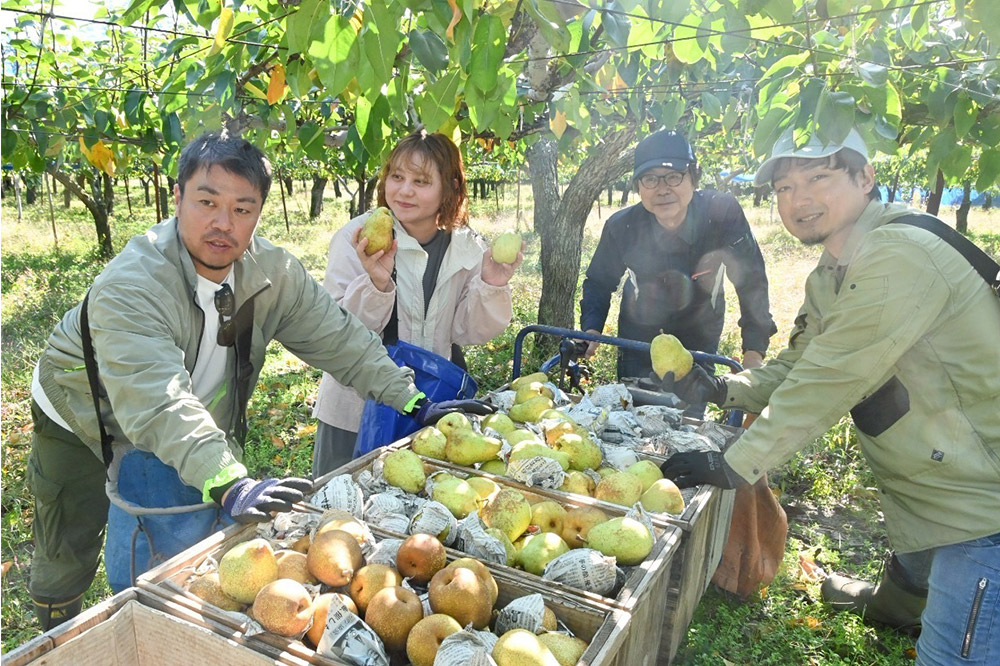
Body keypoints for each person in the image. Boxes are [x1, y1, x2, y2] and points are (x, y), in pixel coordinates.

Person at [26, 130, 490, 630]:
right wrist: (227, 480)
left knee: (182, 528)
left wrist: (410, 399)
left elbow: (339, 337)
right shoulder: (134, 283)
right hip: (78, 411)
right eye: (207, 202)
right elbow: (156, 400)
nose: (223, 223)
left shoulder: (271, 273)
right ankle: (56, 631)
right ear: (177, 198)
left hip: (183, 412)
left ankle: (170, 625)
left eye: (243, 209)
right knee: (68, 540)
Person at [660, 127, 1000, 664]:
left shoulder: (899, 255)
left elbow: (832, 376)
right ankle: (893, 604)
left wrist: (734, 462)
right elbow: (803, 359)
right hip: (932, 478)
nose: (800, 200)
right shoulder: (839, 265)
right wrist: (728, 386)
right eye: (784, 187)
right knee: (918, 556)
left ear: (866, 178)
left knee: (954, 650)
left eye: (818, 177)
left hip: (984, 502)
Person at [312, 131, 521, 477]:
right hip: (358, 404)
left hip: (429, 403)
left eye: (421, 181)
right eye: (397, 176)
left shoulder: (468, 247)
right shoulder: (359, 238)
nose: (404, 190)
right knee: (340, 507)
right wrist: (377, 283)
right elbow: (337, 332)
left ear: (449, 187)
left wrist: (492, 284)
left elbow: (468, 331)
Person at [579, 128, 777, 385]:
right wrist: (591, 329)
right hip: (640, 330)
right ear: (638, 187)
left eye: (673, 177)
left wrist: (754, 350)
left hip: (700, 327)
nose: (662, 189)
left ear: (694, 179)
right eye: (650, 179)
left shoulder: (722, 215)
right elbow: (599, 281)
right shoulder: (622, 227)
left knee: (689, 412)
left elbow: (751, 281)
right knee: (635, 407)